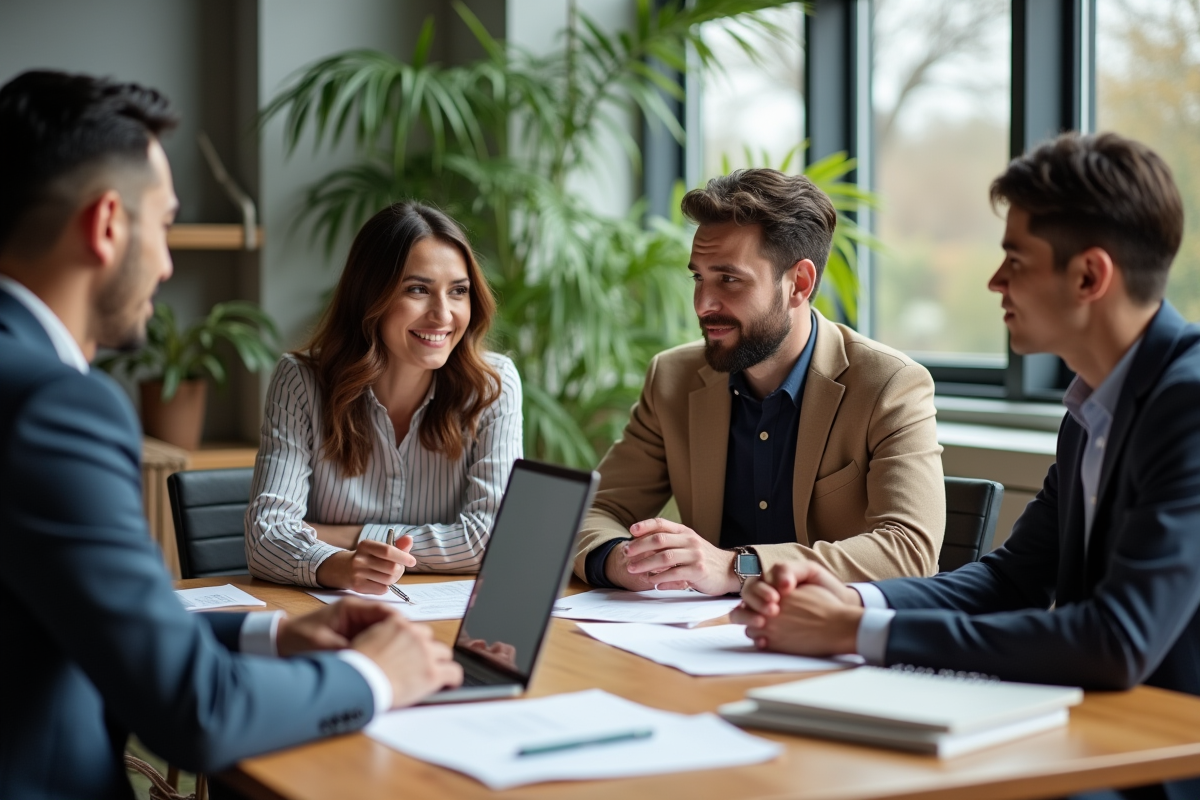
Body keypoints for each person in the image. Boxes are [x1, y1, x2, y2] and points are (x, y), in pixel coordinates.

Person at [0, 70, 462, 800]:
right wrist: (375, 675)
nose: (168, 261)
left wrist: (275, 634)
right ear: (108, 225)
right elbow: (196, 711)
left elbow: (89, 624)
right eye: (164, 225)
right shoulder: (56, 408)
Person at [733, 132, 1200, 800]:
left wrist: (858, 631)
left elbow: (1114, 638)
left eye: (1016, 259)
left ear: (1090, 276)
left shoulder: (1187, 406)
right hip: (1098, 738)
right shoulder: (1091, 407)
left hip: (1161, 767)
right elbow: (1011, 579)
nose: (994, 281)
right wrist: (853, 598)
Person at [573, 168, 945, 595]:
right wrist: (618, 559)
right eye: (699, 277)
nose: (702, 304)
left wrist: (736, 566)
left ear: (799, 284)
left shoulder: (889, 385)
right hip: (696, 639)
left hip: (829, 641)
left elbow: (909, 550)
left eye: (728, 279)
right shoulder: (672, 379)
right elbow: (594, 510)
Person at [244, 202, 522, 593]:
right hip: (328, 617)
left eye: (458, 291)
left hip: (443, 622)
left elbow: (492, 540)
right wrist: (340, 568)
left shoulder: (493, 386)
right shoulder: (301, 381)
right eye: (418, 290)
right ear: (369, 296)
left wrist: (346, 538)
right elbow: (265, 537)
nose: (443, 314)